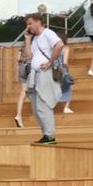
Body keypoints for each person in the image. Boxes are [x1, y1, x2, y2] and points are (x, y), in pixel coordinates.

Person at [24, 11, 64, 145]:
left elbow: (59, 45)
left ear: (37, 21)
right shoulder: (35, 38)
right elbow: (29, 56)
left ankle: (50, 135)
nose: (28, 27)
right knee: (36, 107)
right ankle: (46, 134)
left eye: (30, 23)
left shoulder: (48, 33)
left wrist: (50, 62)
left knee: (43, 104)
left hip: (44, 74)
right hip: (35, 74)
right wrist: (27, 39)